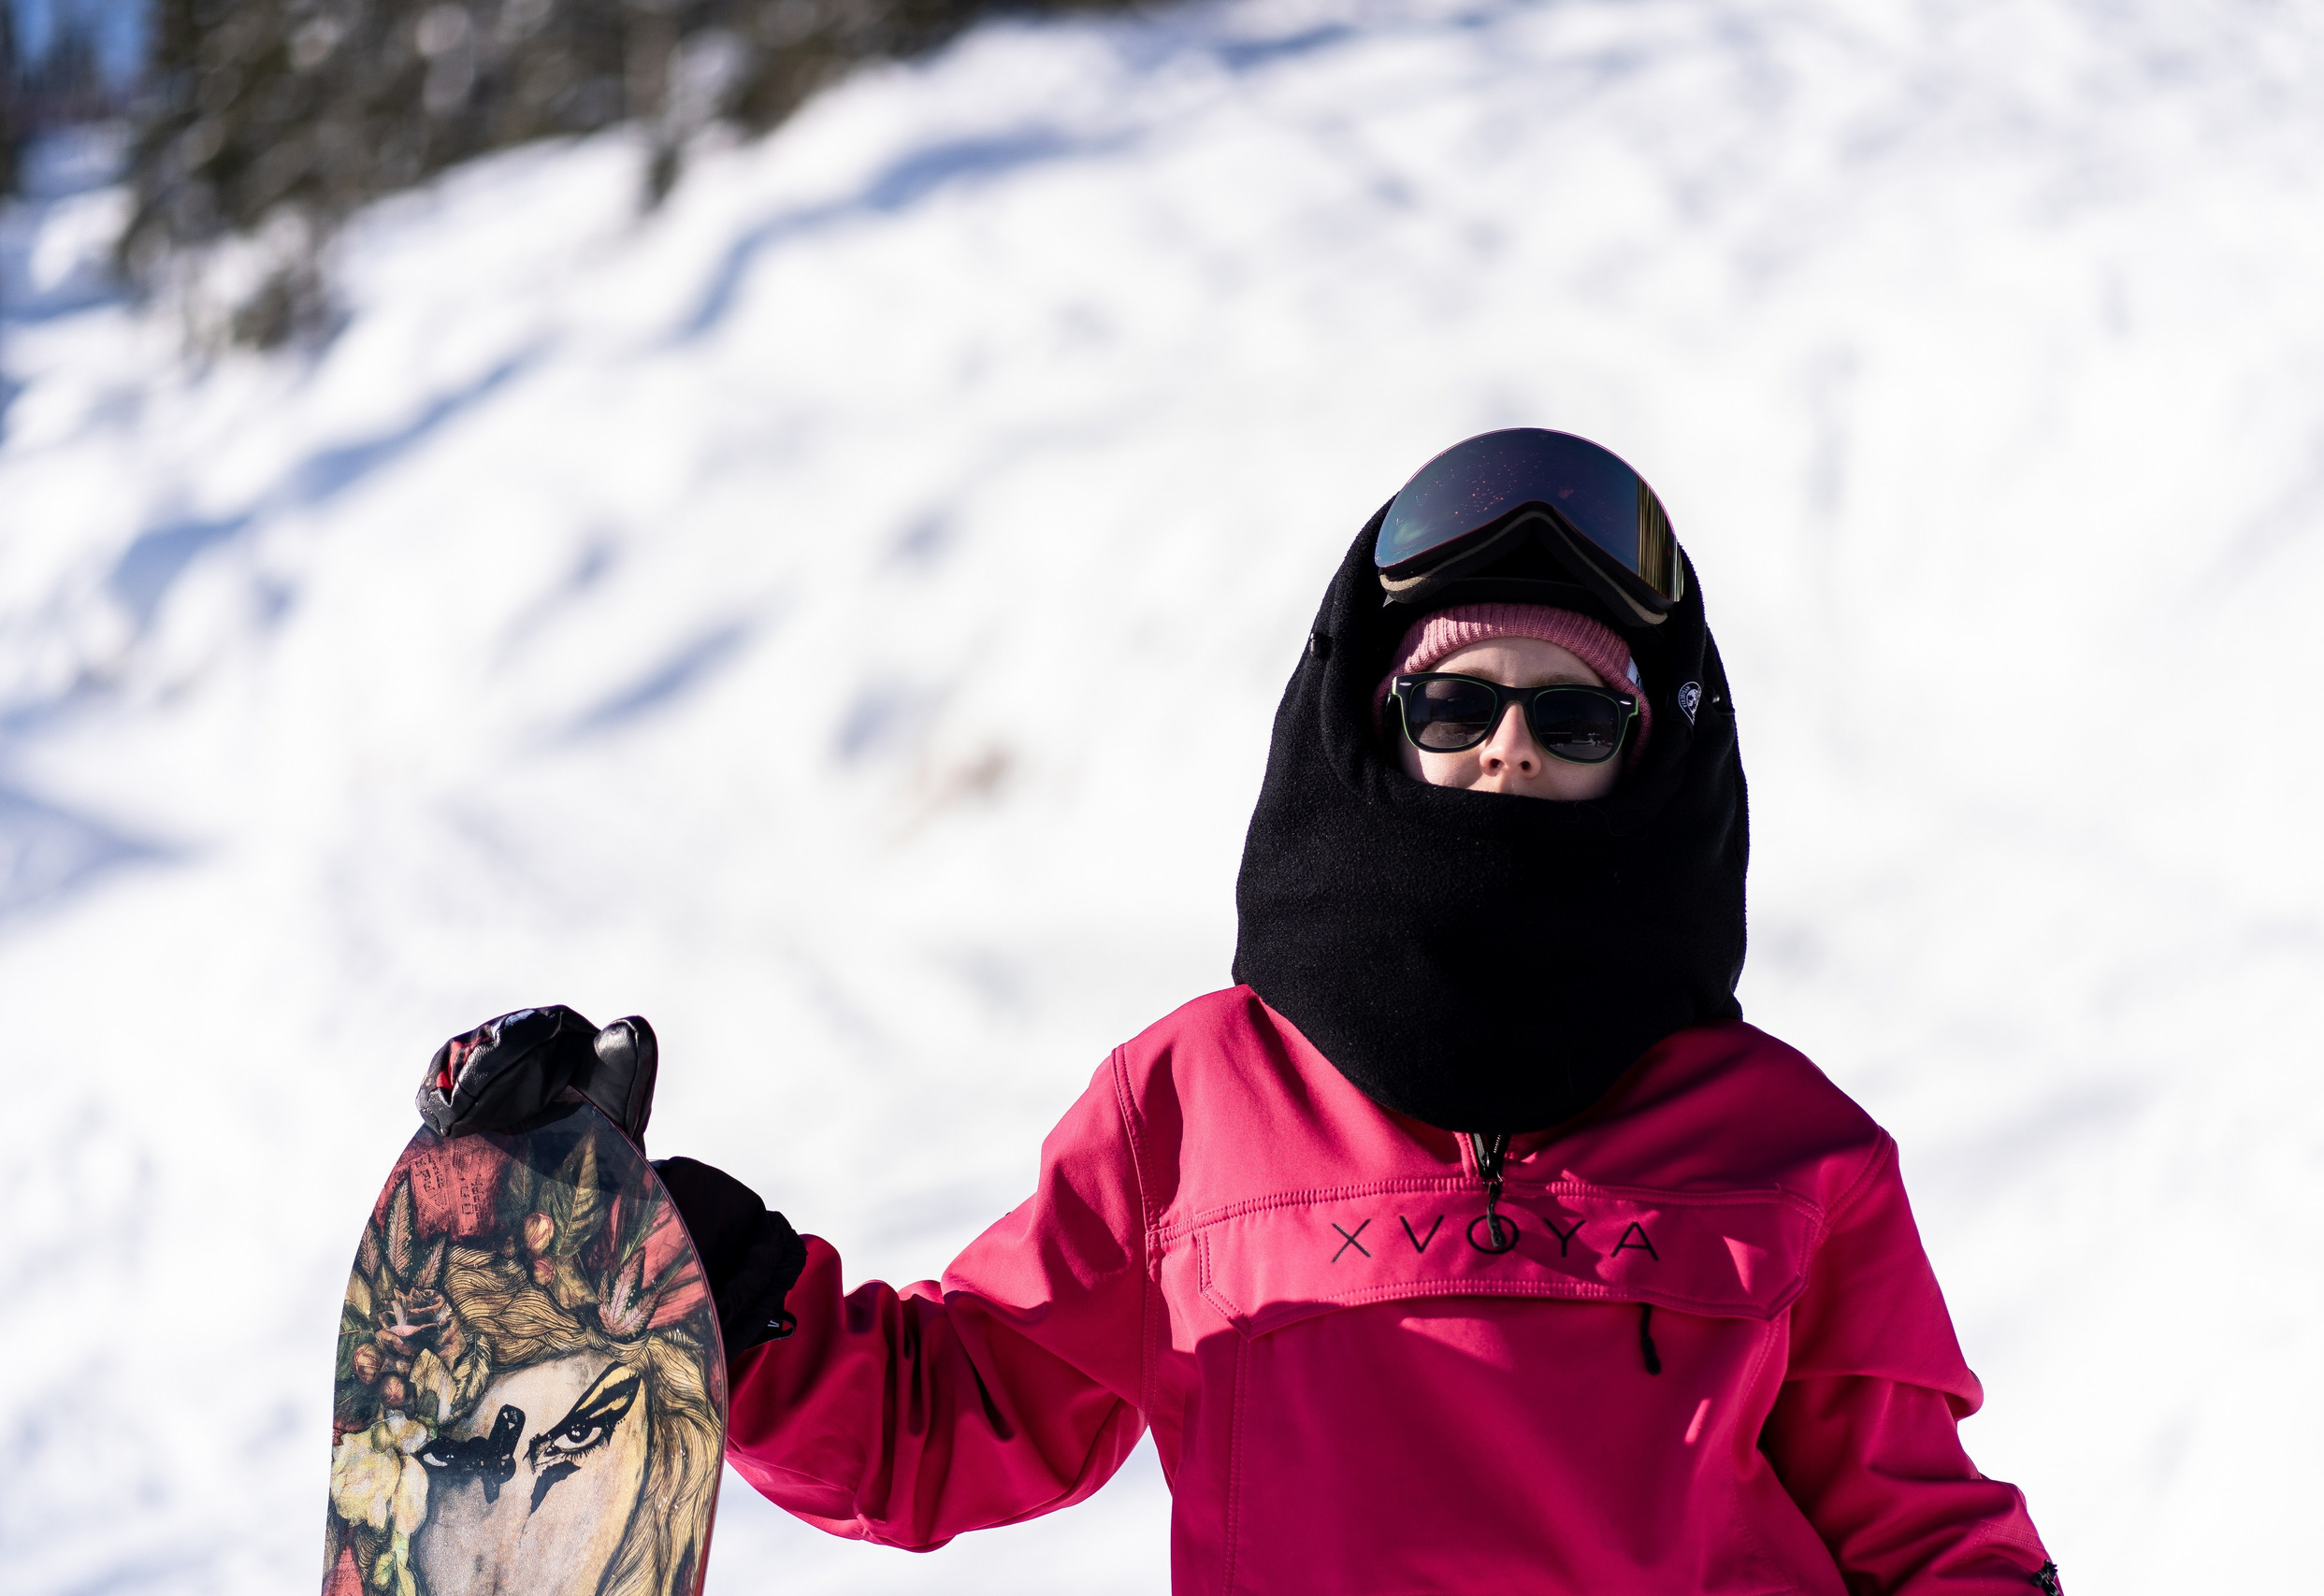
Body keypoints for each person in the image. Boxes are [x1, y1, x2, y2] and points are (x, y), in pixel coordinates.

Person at [420, 429, 2060, 1592]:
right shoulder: (1195, 1105)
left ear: (1651, 757)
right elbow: (947, 1424)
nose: (1510, 750)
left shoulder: (1791, 1148)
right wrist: (715, 1277)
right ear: (1374, 722)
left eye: (1574, 715)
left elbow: (1928, 1542)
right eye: (1456, 702)